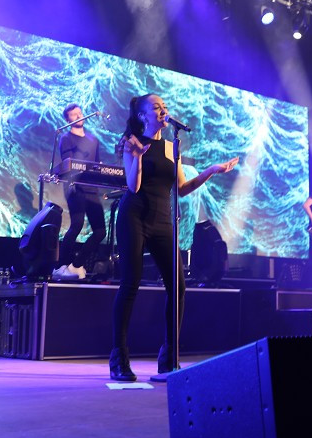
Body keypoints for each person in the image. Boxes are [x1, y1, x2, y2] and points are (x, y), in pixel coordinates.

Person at [109, 93, 238, 381]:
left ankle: (169, 356)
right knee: (130, 284)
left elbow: (181, 187)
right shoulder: (132, 142)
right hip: (134, 217)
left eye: (165, 106)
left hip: (162, 221)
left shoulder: (171, 146)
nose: (163, 110)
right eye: (157, 107)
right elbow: (134, 185)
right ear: (143, 116)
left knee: (177, 286)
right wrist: (139, 157)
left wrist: (211, 171)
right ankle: (119, 357)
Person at [53, 103, 106, 280]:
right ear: (67, 120)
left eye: (79, 113)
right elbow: (69, 164)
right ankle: (61, 266)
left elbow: (97, 165)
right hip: (74, 186)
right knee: (76, 225)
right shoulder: (65, 138)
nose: (78, 116)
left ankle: (76, 264)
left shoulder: (93, 140)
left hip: (91, 188)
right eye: (73, 115)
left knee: (100, 231)